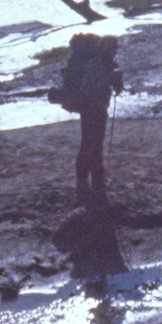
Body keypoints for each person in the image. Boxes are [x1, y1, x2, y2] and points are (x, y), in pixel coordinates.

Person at [62, 33, 122, 202]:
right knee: (89, 143)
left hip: (99, 108)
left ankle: (96, 178)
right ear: (102, 48)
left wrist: (117, 83)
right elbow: (90, 87)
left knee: (97, 142)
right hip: (89, 108)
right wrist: (111, 79)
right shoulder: (94, 64)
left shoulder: (110, 64)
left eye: (114, 48)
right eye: (110, 47)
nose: (113, 51)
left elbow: (115, 87)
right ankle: (84, 180)